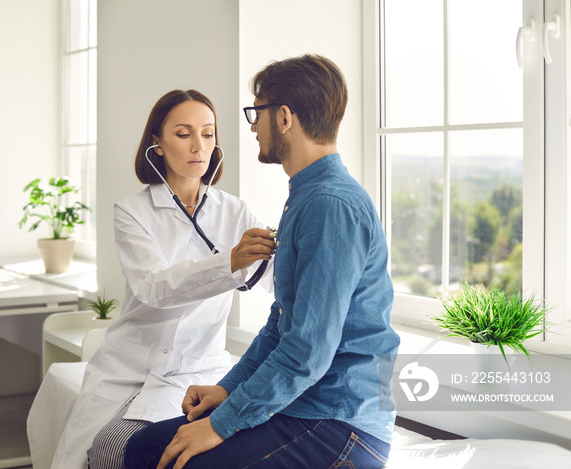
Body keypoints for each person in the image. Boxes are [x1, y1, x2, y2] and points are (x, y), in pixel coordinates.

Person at [124, 55, 400, 469]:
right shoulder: (304, 196)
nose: (252, 127)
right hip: (305, 404)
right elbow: (281, 323)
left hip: (340, 422)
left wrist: (221, 425)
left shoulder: (329, 205)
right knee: (145, 447)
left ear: (284, 117)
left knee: (179, 461)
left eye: (257, 113)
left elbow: (308, 351)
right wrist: (229, 389)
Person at [38, 89, 276, 469]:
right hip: (128, 365)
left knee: (149, 454)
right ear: (158, 144)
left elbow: (276, 280)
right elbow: (154, 287)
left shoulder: (236, 211)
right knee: (83, 456)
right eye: (184, 134)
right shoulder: (132, 212)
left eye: (209, 134)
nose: (200, 146)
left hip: (199, 369)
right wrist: (228, 261)